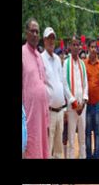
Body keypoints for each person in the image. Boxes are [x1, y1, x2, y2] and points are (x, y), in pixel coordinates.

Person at [22, 19, 49, 158]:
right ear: (26, 33)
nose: (35, 34)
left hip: (42, 116)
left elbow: (42, 85)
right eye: (32, 31)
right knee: (31, 150)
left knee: (42, 148)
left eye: (37, 31)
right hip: (29, 118)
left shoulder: (39, 55)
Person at [40, 27, 68, 158]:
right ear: (44, 40)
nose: (51, 41)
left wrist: (67, 106)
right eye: (48, 38)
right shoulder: (40, 59)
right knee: (47, 148)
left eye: (53, 38)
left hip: (60, 111)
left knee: (58, 149)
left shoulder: (58, 59)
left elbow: (63, 83)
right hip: (48, 112)